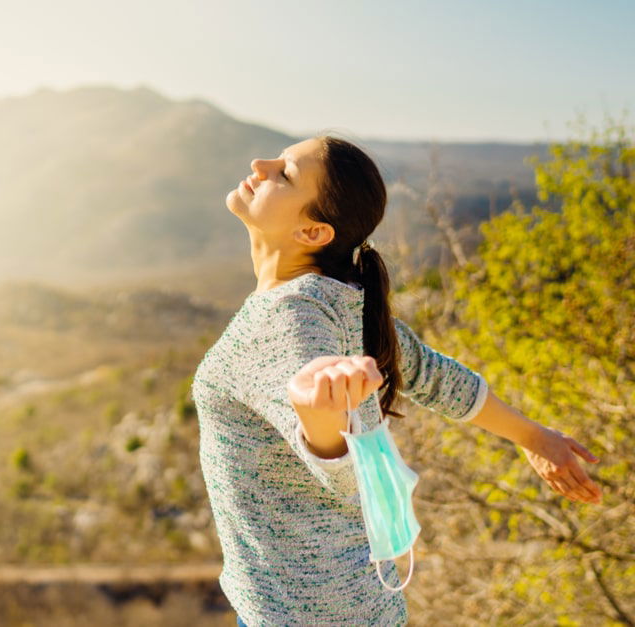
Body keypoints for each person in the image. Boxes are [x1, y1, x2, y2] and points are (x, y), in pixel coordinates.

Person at [191, 135, 604, 625]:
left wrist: (323, 421)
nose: (260, 164)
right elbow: (438, 377)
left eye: (285, 175)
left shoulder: (286, 318)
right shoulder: (345, 299)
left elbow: (335, 460)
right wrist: (534, 437)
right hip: (363, 601)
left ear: (314, 233)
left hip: (301, 613)